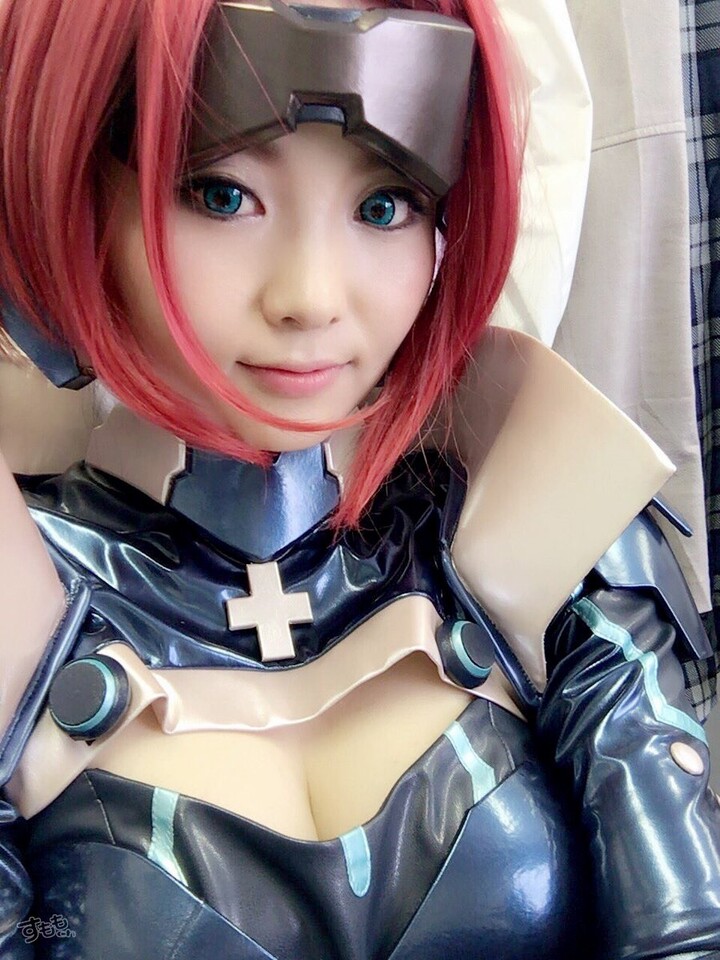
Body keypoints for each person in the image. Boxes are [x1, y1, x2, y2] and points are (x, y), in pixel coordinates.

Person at [0, 0, 718, 957]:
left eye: (385, 206)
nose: (310, 297)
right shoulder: (18, 602)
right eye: (218, 194)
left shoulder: (549, 544)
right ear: (73, 191)